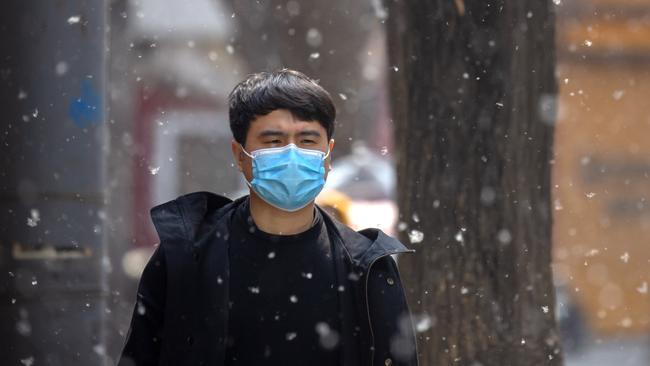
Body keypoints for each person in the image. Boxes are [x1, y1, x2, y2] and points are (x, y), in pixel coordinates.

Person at [117, 69, 418, 366]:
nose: (291, 154)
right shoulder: (186, 256)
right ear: (239, 155)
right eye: (273, 141)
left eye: (308, 140)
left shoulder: (367, 270)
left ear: (328, 155)